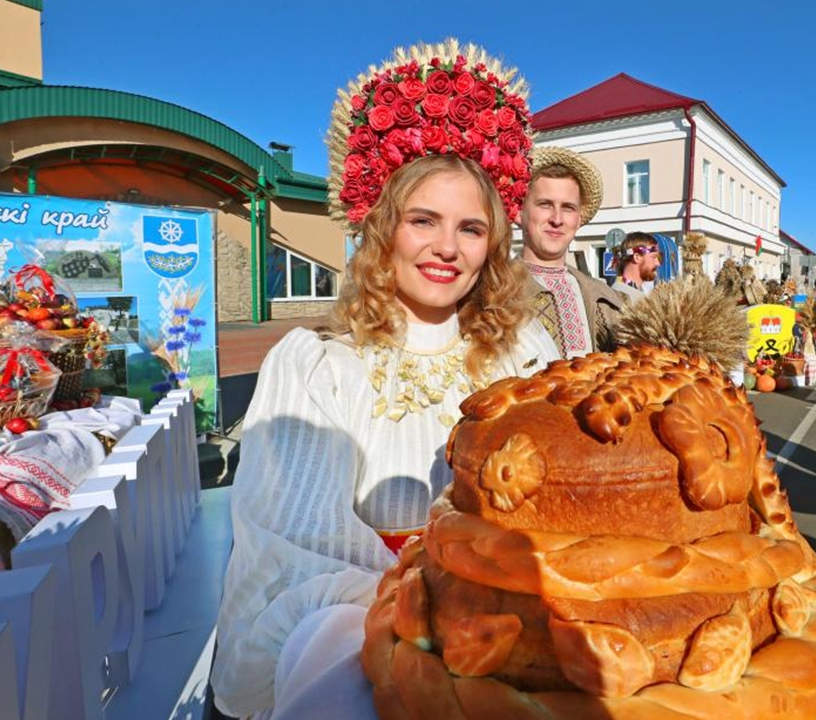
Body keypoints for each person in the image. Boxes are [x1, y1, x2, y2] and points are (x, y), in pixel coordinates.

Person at [211, 42, 561, 719]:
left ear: (493, 245)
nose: (447, 248)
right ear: (380, 228)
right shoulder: (316, 362)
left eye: (470, 228)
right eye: (422, 220)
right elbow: (294, 544)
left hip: (511, 638)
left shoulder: (526, 352)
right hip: (358, 638)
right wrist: (431, 610)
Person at [519, 146, 625, 358]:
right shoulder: (493, 293)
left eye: (568, 207)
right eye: (545, 204)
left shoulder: (606, 299)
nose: (557, 219)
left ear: (578, 219)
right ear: (519, 212)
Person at [612, 231, 661, 299]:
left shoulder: (635, 292)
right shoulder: (620, 296)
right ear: (637, 257)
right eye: (654, 257)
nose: (658, 263)